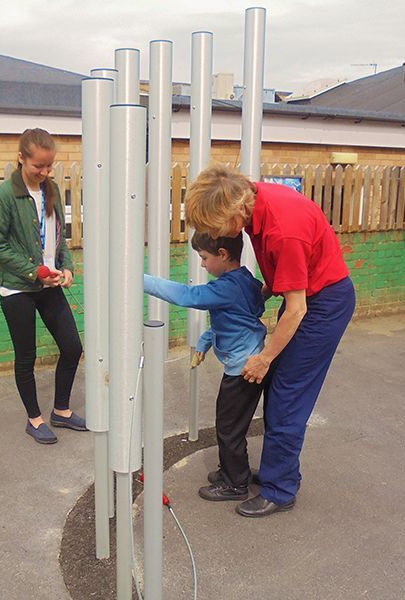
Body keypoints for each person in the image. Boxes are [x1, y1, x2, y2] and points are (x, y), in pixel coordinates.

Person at [185, 164, 356, 518]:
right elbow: (283, 279)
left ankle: (280, 490)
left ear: (234, 212)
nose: (216, 237)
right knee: (279, 386)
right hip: (307, 296)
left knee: (287, 395)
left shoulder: (283, 230)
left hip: (322, 304)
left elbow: (296, 309)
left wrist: (264, 357)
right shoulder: (252, 199)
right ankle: (280, 469)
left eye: (215, 228)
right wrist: (257, 293)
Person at [144, 232, 267, 500]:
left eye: (204, 258)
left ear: (222, 255)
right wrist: (204, 341)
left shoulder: (226, 288)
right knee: (229, 424)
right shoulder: (245, 279)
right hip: (244, 362)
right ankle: (234, 472)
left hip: (242, 370)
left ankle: (236, 485)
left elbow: (187, 296)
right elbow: (234, 318)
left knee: (228, 428)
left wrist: (139, 280)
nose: (201, 265)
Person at [0, 128, 87, 444]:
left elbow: (59, 237)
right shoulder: (6, 195)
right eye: (38, 167)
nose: (44, 173)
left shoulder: (52, 190)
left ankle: (61, 411)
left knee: (73, 347)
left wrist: (67, 267)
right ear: (21, 159)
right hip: (18, 288)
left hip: (50, 284)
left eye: (49, 166)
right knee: (26, 357)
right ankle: (35, 419)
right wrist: (34, 271)